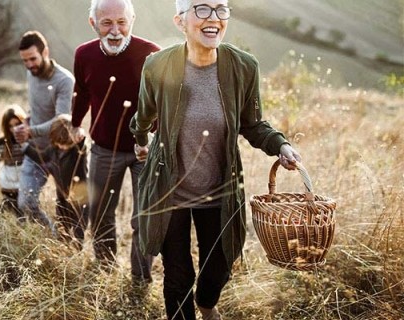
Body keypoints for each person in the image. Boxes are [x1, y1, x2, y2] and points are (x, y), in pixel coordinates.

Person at [129, 1, 303, 319]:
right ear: (180, 21)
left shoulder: (244, 67)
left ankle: (207, 304)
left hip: (219, 189)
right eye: (202, 9)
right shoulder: (157, 65)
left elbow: (252, 124)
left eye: (221, 9)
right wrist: (141, 142)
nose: (214, 18)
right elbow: (143, 116)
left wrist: (280, 145)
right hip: (170, 190)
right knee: (178, 275)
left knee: (219, 267)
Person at [70, 0, 160, 284]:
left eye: (122, 22)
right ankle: (106, 270)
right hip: (104, 149)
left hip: (144, 151)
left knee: (144, 218)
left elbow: (163, 103)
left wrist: (155, 139)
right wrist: (75, 124)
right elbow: (82, 92)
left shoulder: (151, 54)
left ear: (132, 20)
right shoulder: (84, 54)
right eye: (107, 22)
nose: (115, 30)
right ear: (93, 23)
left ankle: (140, 280)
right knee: (99, 215)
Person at [16, 30, 88, 244]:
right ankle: (53, 236)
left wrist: (31, 130)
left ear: (45, 52)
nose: (29, 65)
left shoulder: (64, 81)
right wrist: (27, 121)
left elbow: (61, 120)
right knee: (26, 203)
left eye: (33, 59)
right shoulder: (31, 74)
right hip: (35, 150)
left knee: (68, 205)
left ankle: (70, 245)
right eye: (25, 61)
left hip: (60, 151)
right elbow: (36, 107)